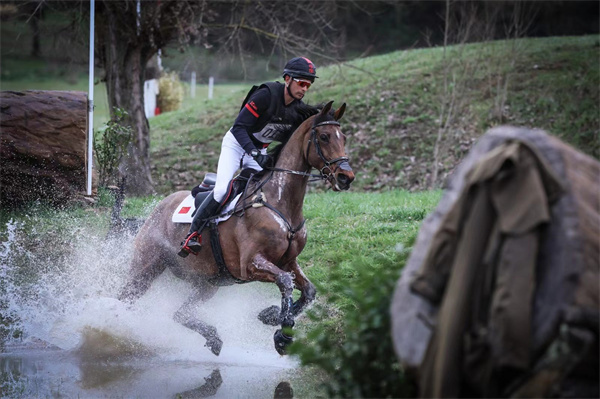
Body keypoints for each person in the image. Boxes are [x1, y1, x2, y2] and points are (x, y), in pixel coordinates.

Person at [178, 57, 318, 257]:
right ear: (287, 79)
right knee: (221, 192)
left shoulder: (296, 109)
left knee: (259, 190)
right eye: (302, 83)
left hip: (258, 151)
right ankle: (193, 234)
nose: (305, 88)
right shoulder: (266, 95)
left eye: (309, 85)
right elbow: (239, 127)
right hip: (236, 145)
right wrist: (253, 153)